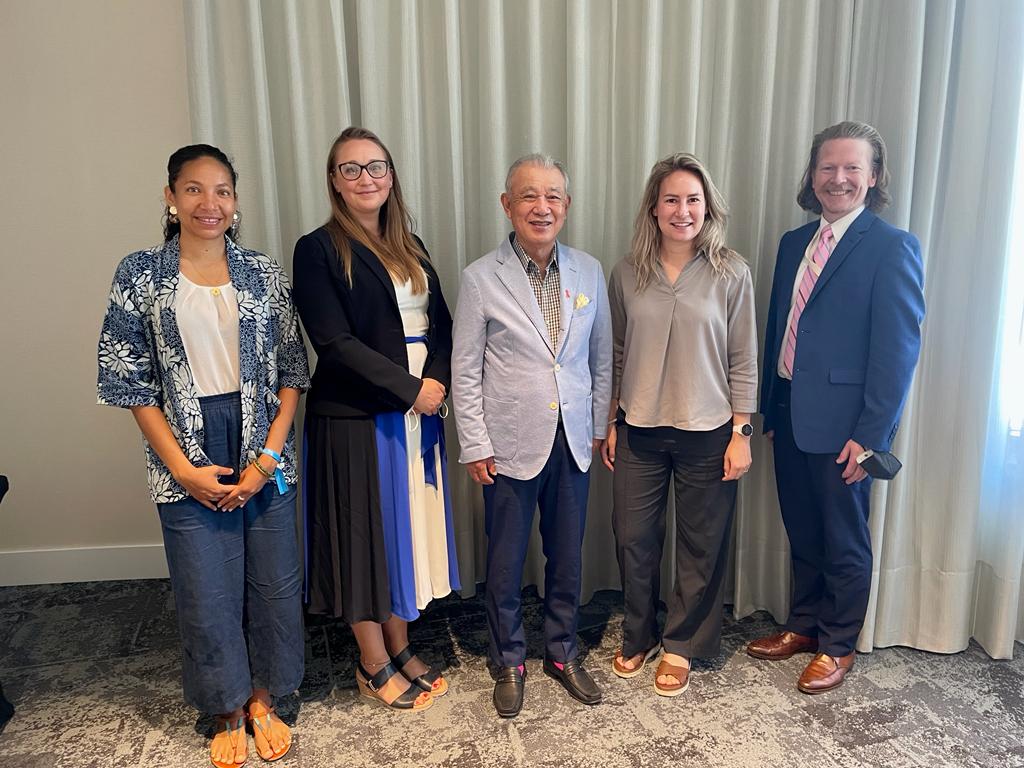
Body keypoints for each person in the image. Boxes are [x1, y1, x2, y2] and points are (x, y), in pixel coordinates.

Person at [97, 144, 310, 767]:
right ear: (170, 197)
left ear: (236, 202)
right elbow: (127, 379)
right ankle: (224, 704)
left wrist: (268, 458)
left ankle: (265, 694)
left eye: (221, 191)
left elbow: (293, 371)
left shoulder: (263, 273)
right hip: (185, 448)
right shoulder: (141, 275)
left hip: (263, 443)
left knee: (273, 582)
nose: (208, 203)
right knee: (206, 588)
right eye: (193, 190)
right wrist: (183, 469)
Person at [748, 121, 925, 693]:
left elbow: (897, 351)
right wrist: (771, 411)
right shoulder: (792, 244)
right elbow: (779, 328)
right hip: (791, 417)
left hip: (848, 428)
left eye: (852, 168)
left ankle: (839, 644)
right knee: (802, 530)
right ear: (813, 175)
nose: (839, 178)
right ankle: (803, 625)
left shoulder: (892, 247)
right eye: (828, 167)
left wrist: (872, 434)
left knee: (845, 538)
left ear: (873, 177)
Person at [292, 126, 459, 714]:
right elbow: (332, 341)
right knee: (363, 540)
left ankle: (400, 644)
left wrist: (435, 382)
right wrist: (412, 389)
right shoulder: (316, 249)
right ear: (335, 182)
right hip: (357, 417)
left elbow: (442, 323)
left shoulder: (411, 242)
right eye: (351, 168)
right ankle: (371, 662)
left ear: (391, 175)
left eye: (376, 166)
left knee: (400, 535)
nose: (366, 178)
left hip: (420, 411)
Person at [451, 154, 613, 718]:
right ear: (507, 205)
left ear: (566, 207)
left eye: (553, 197)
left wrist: (598, 427)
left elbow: (600, 360)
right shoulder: (479, 277)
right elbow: (464, 368)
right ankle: (510, 658)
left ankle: (563, 651)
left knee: (566, 556)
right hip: (509, 445)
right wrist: (474, 442)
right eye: (528, 196)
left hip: (573, 440)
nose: (541, 207)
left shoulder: (589, 272)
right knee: (505, 559)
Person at [602, 154, 758, 696]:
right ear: (653, 207)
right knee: (633, 538)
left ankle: (681, 645)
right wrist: (613, 421)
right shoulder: (626, 272)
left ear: (707, 207)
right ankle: (639, 631)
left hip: (709, 431)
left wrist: (742, 433)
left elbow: (744, 357)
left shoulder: (731, 272)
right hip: (639, 428)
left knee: (701, 545)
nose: (682, 210)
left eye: (693, 199)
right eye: (671, 199)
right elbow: (617, 352)